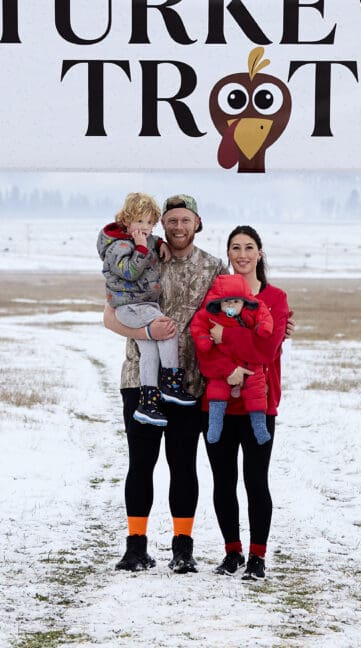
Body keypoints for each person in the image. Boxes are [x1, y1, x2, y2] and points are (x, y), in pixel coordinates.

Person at [103, 193, 224, 574]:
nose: (178, 227)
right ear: (162, 224)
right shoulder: (139, 257)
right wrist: (145, 328)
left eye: (185, 220)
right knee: (141, 463)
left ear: (197, 223)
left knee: (183, 464)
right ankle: (135, 547)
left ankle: (182, 548)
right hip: (139, 379)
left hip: (189, 384)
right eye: (171, 220)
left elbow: (236, 310)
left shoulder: (213, 268)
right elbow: (110, 317)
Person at [197, 225, 292, 580]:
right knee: (223, 481)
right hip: (218, 405)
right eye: (235, 248)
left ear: (260, 253)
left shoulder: (276, 299)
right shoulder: (215, 297)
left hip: (260, 404)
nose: (242, 254)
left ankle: (258, 556)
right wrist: (235, 353)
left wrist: (226, 335)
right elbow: (204, 346)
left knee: (256, 481)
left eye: (249, 247)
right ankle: (232, 552)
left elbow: (266, 350)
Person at [96, 192, 194, 425]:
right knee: (167, 329)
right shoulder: (118, 246)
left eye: (150, 222)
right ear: (126, 220)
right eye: (140, 222)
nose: (145, 228)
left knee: (149, 352)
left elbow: (151, 240)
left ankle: (148, 403)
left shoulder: (144, 238)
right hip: (130, 305)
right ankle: (171, 384)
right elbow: (129, 271)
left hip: (140, 304)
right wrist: (141, 249)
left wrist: (159, 243)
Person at [190, 272, 274, 445]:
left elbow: (265, 316)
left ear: (244, 301)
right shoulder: (210, 315)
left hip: (249, 364)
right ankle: (215, 425)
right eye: (227, 301)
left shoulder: (252, 310)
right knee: (217, 390)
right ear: (218, 302)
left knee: (256, 389)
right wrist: (204, 339)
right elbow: (198, 326)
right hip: (223, 364)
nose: (231, 305)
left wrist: (263, 327)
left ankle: (259, 425)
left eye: (236, 301)